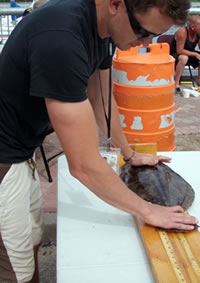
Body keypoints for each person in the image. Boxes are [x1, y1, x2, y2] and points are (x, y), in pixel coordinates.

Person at [0, 0, 198, 282]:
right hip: (5, 158)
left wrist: (129, 154)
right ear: (116, 4)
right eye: (142, 31)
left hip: (24, 149)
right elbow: (83, 164)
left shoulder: (104, 29)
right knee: (13, 267)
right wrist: (148, 211)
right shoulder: (61, 39)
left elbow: (101, 98)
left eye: (153, 36)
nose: (143, 43)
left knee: (31, 236)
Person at [170, 15, 200, 94]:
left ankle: (198, 81)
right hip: (175, 55)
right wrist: (195, 54)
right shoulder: (182, 32)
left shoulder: (198, 34)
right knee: (184, 58)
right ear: (193, 27)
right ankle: (176, 83)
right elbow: (179, 51)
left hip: (189, 54)